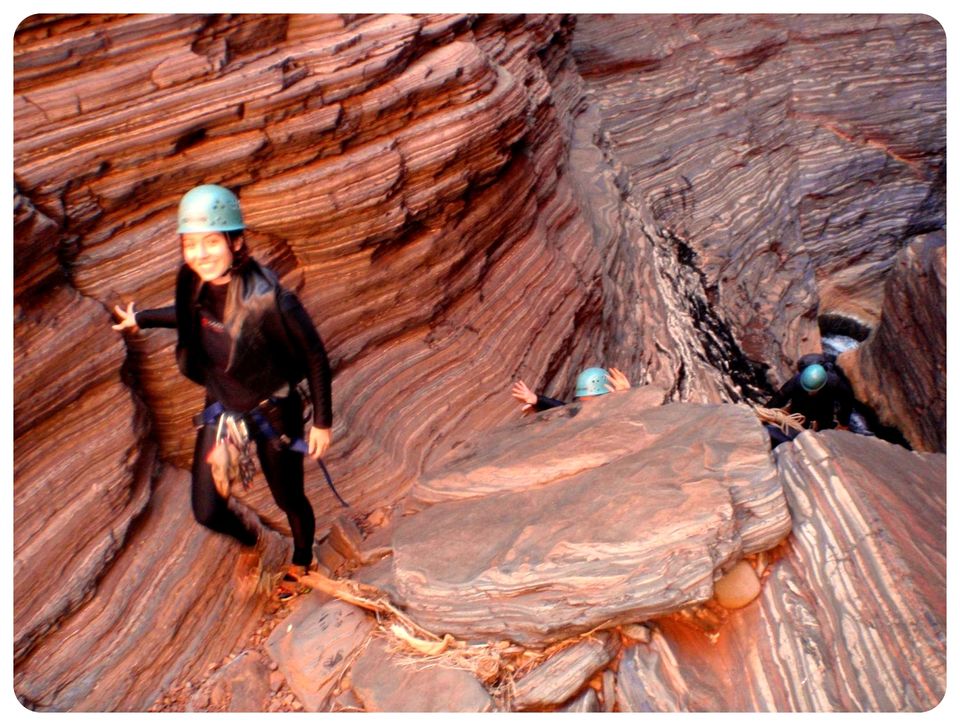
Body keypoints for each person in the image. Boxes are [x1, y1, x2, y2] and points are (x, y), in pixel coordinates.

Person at [111, 184, 333, 598]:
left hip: (272, 413)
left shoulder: (274, 302)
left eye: (211, 241)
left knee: (289, 497)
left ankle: (303, 559)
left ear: (236, 241)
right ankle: (257, 543)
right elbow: (194, 317)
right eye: (191, 244)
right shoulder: (201, 288)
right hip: (225, 411)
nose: (200, 253)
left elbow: (316, 357)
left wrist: (321, 422)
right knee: (208, 510)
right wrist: (142, 318)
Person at [763, 362, 855, 447]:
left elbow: (846, 402)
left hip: (825, 404)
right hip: (801, 403)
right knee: (799, 423)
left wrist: (843, 422)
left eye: (813, 391)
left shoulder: (835, 383)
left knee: (825, 425)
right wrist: (766, 410)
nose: (810, 393)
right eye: (809, 390)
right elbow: (780, 397)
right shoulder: (796, 381)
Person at [511, 367, 631, 414]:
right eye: (583, 400)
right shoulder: (583, 412)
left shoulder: (616, 410)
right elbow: (566, 409)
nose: (586, 405)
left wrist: (625, 399)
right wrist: (537, 402)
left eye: (591, 399)